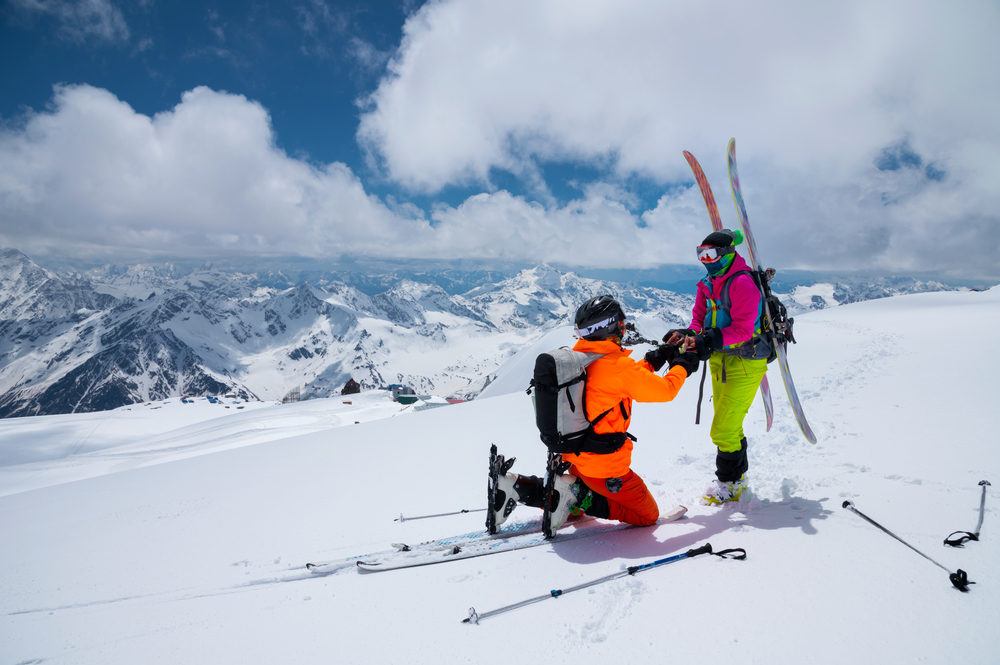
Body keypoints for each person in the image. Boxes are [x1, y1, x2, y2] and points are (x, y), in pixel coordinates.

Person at [489, 294, 700, 533]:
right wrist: (683, 362)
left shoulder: (581, 359)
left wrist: (658, 356)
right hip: (604, 468)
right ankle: (575, 496)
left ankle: (516, 486)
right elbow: (666, 390)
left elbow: (624, 380)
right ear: (609, 327)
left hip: (575, 459)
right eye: (620, 324)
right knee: (646, 515)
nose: (623, 328)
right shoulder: (618, 367)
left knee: (578, 487)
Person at [664, 229, 768, 505]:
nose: (705, 260)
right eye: (700, 253)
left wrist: (709, 338)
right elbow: (699, 318)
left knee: (722, 428)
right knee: (728, 424)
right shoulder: (707, 283)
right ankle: (739, 478)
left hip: (746, 360)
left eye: (709, 254)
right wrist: (689, 333)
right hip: (720, 359)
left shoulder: (742, 283)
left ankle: (730, 484)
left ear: (726, 253)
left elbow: (745, 329)